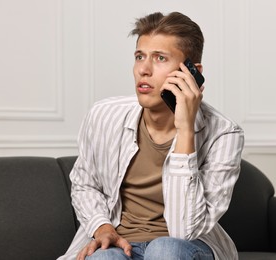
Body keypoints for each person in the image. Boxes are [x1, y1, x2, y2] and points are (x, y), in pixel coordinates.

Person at [58, 11, 244, 260]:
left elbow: (184, 230)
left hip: (187, 246)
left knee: (164, 249)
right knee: (104, 258)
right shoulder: (103, 115)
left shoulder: (224, 134)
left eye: (160, 58)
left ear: (192, 72)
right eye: (139, 56)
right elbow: (85, 184)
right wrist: (101, 226)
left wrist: (186, 128)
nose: (143, 70)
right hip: (120, 242)